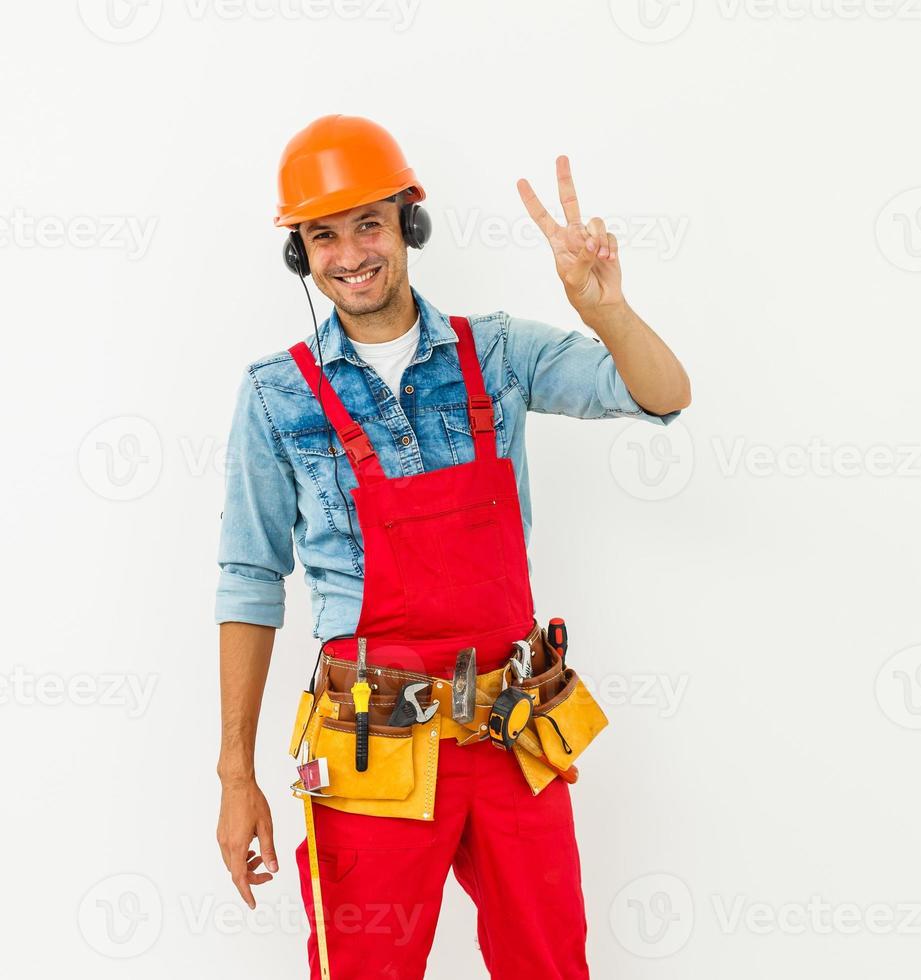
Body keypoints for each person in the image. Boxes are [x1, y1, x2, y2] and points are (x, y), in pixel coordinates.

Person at [214, 113, 690, 979]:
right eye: (324, 235)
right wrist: (234, 776)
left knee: (550, 964)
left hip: (514, 733)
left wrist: (606, 311)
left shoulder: (499, 351)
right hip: (370, 748)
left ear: (408, 224)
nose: (351, 254)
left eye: (369, 224)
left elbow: (660, 394)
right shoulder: (277, 396)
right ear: (301, 254)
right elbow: (249, 579)